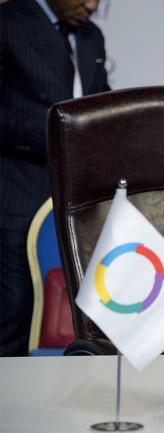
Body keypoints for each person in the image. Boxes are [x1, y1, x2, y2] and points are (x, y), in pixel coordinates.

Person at [0, 0, 110, 356]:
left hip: (79, 206)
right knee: (13, 316)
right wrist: (59, 135)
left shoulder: (91, 37)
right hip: (18, 198)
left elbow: (101, 104)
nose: (92, 5)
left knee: (76, 320)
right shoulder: (8, 23)